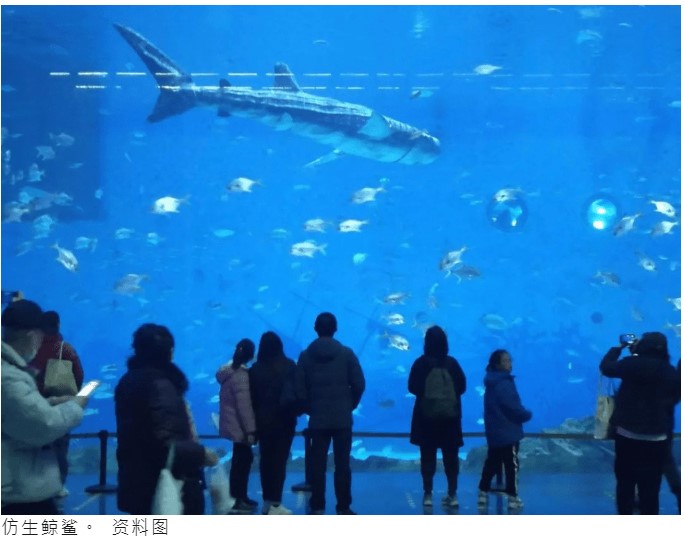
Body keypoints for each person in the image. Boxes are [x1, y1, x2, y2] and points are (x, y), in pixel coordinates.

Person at [115, 323, 219, 515]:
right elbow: (165, 441)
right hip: (165, 485)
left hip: (137, 482)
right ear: (169, 352)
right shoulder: (161, 385)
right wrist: (201, 454)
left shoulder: (127, 381)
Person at [1, 299, 86, 514]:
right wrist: (75, 404)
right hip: (18, 489)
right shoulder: (60, 349)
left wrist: (46, 403)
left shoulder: (12, 366)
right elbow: (43, 424)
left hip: (17, 474)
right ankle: (61, 486)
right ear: (33, 335)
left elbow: (19, 409)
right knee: (60, 450)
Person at [599, 332, 679, 515]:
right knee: (650, 489)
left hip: (628, 436)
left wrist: (619, 348)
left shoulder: (631, 364)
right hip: (657, 439)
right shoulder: (669, 371)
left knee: (625, 484)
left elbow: (606, 368)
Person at [295, 312, 365, 515]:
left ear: (315, 329)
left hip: (318, 420)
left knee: (318, 464)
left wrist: (311, 408)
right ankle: (343, 506)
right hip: (342, 419)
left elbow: (299, 388)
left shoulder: (306, 356)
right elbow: (359, 383)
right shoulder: (347, 354)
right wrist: (349, 405)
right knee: (342, 464)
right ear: (335, 329)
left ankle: (317, 504)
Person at [408, 325, 466, 509]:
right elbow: (462, 387)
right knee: (451, 457)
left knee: (427, 456)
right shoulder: (452, 364)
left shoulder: (420, 363)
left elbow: (412, 387)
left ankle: (427, 494)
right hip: (450, 419)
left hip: (426, 419)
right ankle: (452, 494)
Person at [29, 310, 84, 497]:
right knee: (60, 446)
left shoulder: (32, 348)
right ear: (58, 325)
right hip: (60, 404)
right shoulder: (65, 348)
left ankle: (34, 483)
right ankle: (59, 485)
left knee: (35, 444)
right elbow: (78, 374)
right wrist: (70, 393)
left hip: (34, 402)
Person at [249, 331, 298, 514]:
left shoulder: (255, 369)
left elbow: (252, 398)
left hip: (263, 421)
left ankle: (267, 500)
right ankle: (276, 502)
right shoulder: (289, 365)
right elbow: (296, 393)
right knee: (279, 460)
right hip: (285, 420)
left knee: (266, 460)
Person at [477, 349, 532, 511]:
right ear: (497, 364)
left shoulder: (491, 382)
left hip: (494, 430)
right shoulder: (504, 383)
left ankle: (482, 491)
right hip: (509, 431)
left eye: (510, 360)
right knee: (511, 465)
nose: (510, 363)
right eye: (506, 361)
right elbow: (512, 406)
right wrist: (525, 415)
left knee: (492, 461)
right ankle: (513, 497)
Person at [216, 338, 258, 514]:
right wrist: (251, 430)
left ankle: (240, 497)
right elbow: (244, 406)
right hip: (240, 427)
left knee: (240, 461)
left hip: (232, 425)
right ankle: (238, 498)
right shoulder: (241, 376)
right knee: (243, 462)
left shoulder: (228, 373)